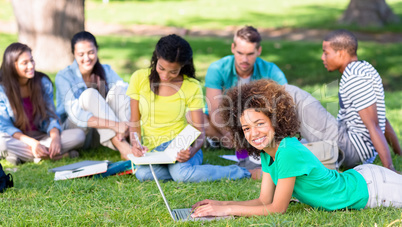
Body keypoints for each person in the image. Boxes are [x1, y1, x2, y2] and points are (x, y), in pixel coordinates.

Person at [191, 80, 402, 218]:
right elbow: (265, 200)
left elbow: (277, 209)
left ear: (275, 120)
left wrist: (226, 210)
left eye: (260, 123)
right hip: (361, 178)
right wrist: (219, 204)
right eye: (246, 127)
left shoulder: (288, 151)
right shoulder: (267, 153)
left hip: (373, 188)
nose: (254, 133)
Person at [126, 34, 253, 182]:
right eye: (161, 68)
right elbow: (134, 121)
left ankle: (240, 171)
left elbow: (200, 131)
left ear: (182, 66)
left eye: (173, 71)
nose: (165, 76)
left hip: (182, 146)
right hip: (154, 151)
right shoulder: (139, 78)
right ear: (156, 59)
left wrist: (191, 151)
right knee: (143, 175)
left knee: (181, 174)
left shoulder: (191, 86)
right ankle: (181, 170)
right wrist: (136, 144)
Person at [321, 29, 401, 171]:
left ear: (341, 53)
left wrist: (390, 170)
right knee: (298, 145)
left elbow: (374, 125)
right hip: (351, 145)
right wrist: (398, 152)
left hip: (351, 148)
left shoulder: (354, 77)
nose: (322, 57)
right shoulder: (365, 68)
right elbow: (382, 120)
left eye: (326, 53)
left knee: (299, 98)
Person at [0, 43, 85, 165]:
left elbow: (51, 115)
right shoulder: (2, 89)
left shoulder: (42, 82)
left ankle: (26, 156)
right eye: (25, 63)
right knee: (1, 143)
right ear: (12, 66)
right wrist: (33, 143)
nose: (31, 66)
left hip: (43, 137)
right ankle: (54, 156)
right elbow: (5, 126)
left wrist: (55, 138)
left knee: (79, 135)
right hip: (18, 139)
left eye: (32, 60)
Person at [204, 25, 287, 149]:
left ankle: (219, 141)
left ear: (259, 51)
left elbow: (286, 102)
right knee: (193, 117)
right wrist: (228, 134)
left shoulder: (271, 70)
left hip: (257, 120)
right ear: (233, 48)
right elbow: (215, 109)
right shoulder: (217, 68)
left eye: (250, 54)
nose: (244, 59)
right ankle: (226, 140)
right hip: (226, 120)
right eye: (240, 53)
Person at [56, 31, 132, 160]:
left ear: (97, 50)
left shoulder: (105, 70)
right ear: (74, 54)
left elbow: (127, 91)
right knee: (89, 95)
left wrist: (124, 124)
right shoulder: (64, 76)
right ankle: (124, 147)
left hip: (100, 133)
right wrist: (114, 125)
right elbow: (77, 115)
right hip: (78, 131)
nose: (87, 58)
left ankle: (126, 137)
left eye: (91, 52)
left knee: (120, 90)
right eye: (81, 54)